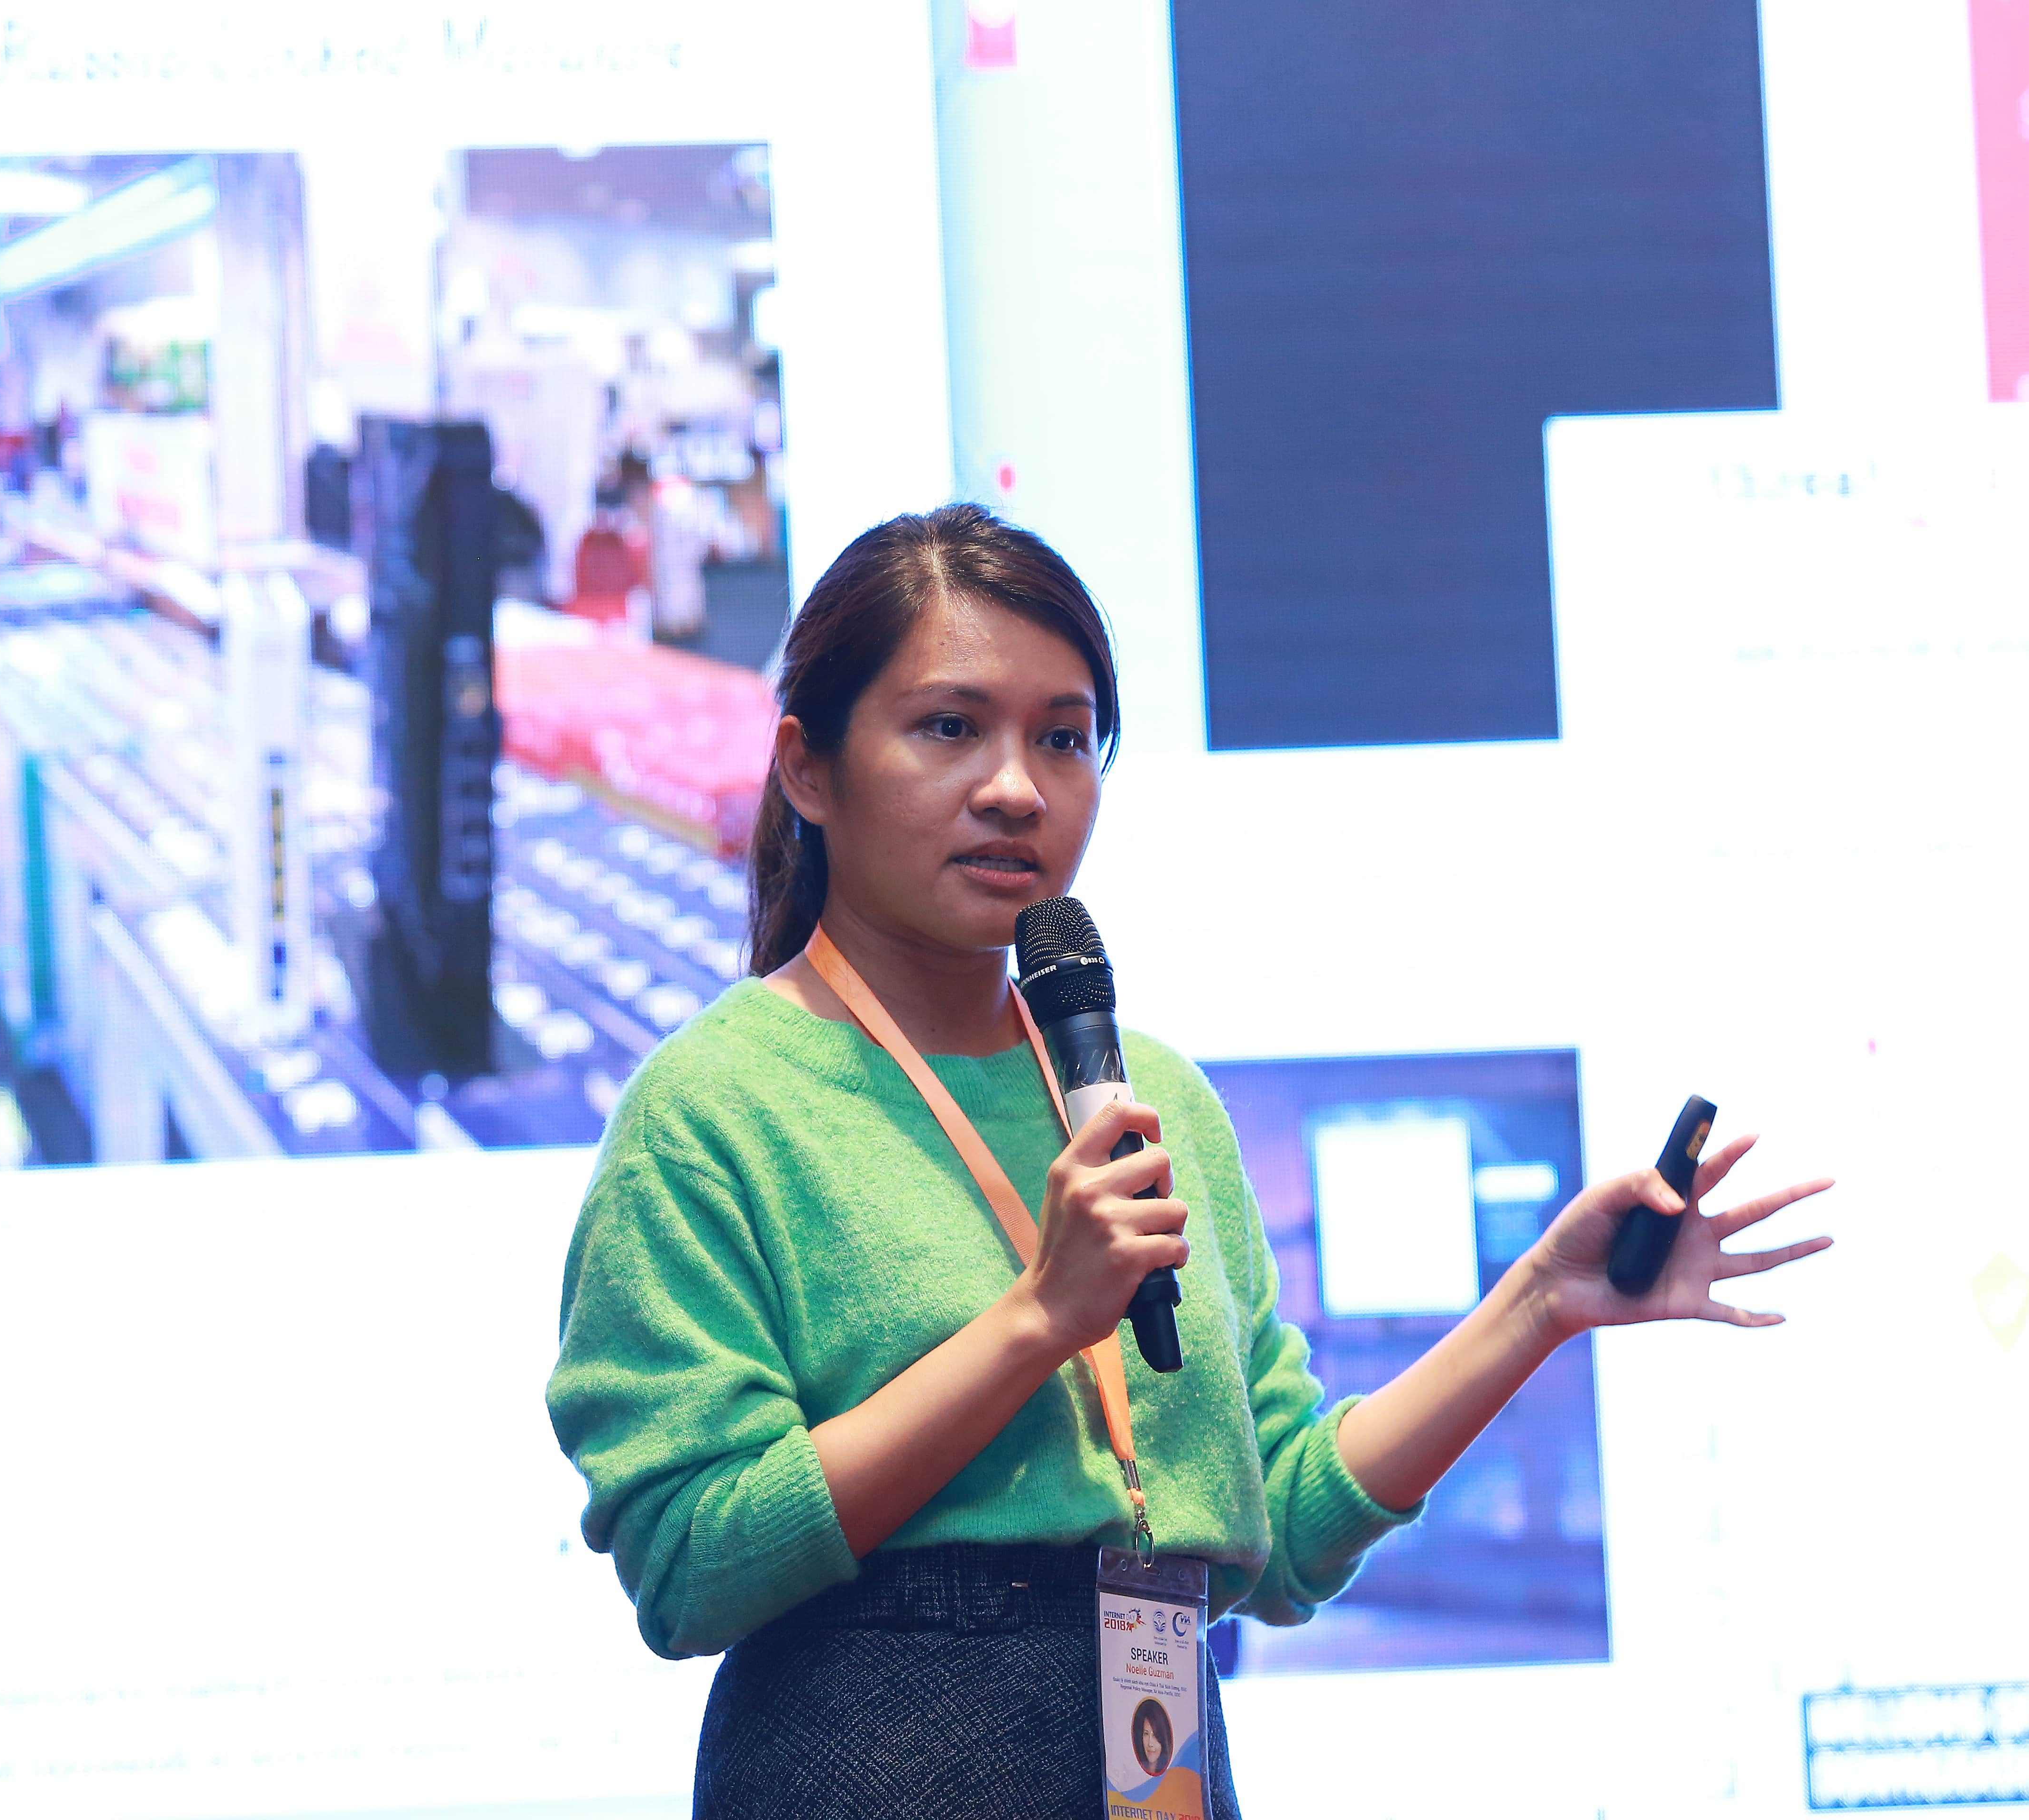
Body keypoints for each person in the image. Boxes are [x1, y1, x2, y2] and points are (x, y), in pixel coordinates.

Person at [546, 504, 1834, 1819]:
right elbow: (692, 1564)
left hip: (1160, 1749)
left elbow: (1286, 1525)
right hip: (870, 1760)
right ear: (808, 770)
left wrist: (1543, 1304)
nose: (1016, 787)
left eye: (1064, 738)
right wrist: (1038, 1320)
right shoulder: (713, 1110)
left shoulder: (1151, 1093)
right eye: (950, 727)